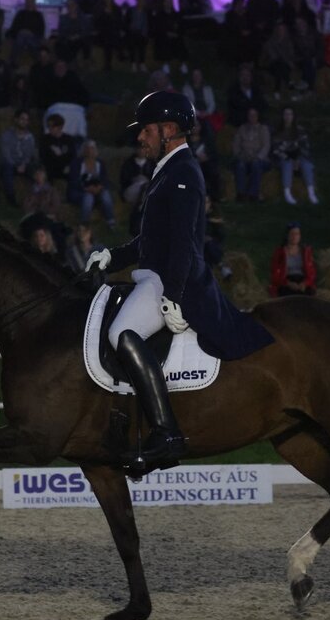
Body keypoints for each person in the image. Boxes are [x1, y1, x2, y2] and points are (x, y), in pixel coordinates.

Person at [84, 91, 275, 467]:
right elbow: (152, 240)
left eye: (147, 130)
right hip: (156, 273)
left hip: (170, 279)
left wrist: (173, 295)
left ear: (169, 129)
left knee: (122, 333)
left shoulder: (184, 171)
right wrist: (113, 256)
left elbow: (185, 243)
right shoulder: (166, 169)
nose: (141, 137)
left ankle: (166, 432)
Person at [272, 106, 319, 206]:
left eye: (290, 114)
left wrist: (297, 158)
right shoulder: (278, 131)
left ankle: (311, 192)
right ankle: (287, 193)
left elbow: (305, 146)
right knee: (287, 164)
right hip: (284, 157)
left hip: (298, 156)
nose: (288, 116)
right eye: (286, 114)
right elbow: (276, 149)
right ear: (282, 116)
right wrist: (288, 157)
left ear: (293, 116)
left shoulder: (300, 130)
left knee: (306, 164)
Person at [68, 139, 115, 227]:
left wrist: (100, 187)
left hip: (97, 189)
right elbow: (73, 181)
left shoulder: (100, 163)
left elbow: (105, 179)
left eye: (92, 148)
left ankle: (111, 221)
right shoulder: (76, 163)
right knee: (88, 198)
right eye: (87, 148)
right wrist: (86, 188)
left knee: (106, 195)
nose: (90, 151)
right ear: (84, 150)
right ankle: (84, 224)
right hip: (80, 190)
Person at [232, 107, 271, 203]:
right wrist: (239, 155)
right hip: (245, 157)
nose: (252, 117)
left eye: (254, 115)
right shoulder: (242, 128)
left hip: (260, 159)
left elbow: (266, 146)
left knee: (256, 165)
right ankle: (241, 194)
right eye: (250, 115)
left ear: (258, 116)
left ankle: (253, 194)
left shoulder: (263, 129)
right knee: (240, 165)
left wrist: (258, 157)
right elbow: (236, 144)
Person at [0, 109, 37, 206]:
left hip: (24, 164)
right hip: (10, 163)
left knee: (35, 169)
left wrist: (24, 164)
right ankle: (11, 198)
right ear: (16, 120)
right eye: (22, 119)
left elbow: (29, 154)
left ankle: (37, 196)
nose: (24, 122)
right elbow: (6, 154)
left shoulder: (30, 137)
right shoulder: (6, 135)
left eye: (26, 120)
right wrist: (16, 166)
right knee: (6, 168)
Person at [269, 221, 316, 296]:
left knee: (307, 294)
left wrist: (305, 283)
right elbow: (275, 274)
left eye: (297, 234)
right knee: (287, 294)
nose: (294, 237)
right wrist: (288, 283)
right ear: (287, 236)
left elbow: (312, 273)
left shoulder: (306, 252)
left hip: (302, 280)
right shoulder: (280, 252)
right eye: (292, 234)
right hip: (286, 280)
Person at [39, 113, 77, 182]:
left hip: (65, 169)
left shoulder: (68, 140)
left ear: (60, 127)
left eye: (52, 126)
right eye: (48, 126)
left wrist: (60, 155)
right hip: (50, 169)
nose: (50, 128)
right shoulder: (45, 139)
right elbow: (43, 157)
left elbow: (72, 156)